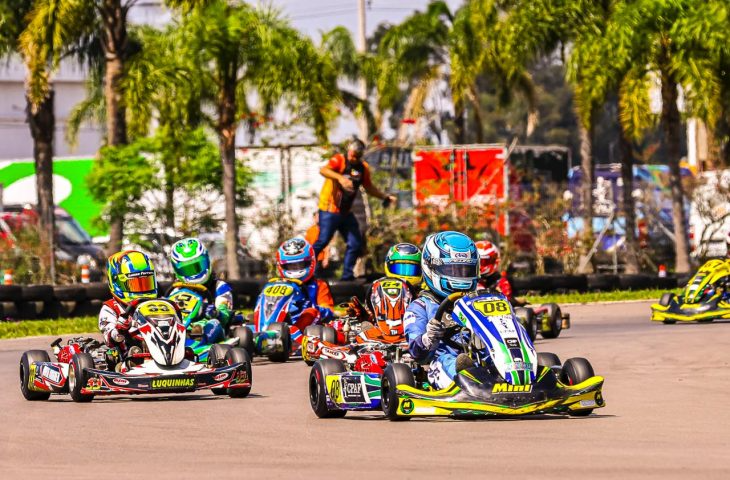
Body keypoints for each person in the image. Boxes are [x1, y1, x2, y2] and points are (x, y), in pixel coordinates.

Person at [403, 231, 480, 389]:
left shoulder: (479, 301)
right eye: (452, 270)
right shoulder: (420, 307)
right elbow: (417, 354)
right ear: (431, 267)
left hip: (479, 356)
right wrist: (429, 337)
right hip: (441, 362)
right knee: (448, 361)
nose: (460, 276)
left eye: (466, 270)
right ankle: (467, 378)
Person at [313, 138, 396, 280]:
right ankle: (308, 270)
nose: (353, 158)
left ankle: (347, 275)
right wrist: (340, 178)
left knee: (355, 243)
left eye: (356, 155)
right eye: (352, 154)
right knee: (323, 241)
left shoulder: (363, 168)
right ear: (348, 152)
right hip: (329, 209)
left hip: (346, 212)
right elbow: (323, 170)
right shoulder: (339, 160)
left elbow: (369, 187)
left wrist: (385, 197)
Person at [345, 243, 422, 341]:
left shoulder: (423, 293)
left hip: (413, 334)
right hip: (379, 335)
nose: (404, 275)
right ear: (388, 266)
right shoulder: (379, 289)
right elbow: (371, 315)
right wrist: (363, 315)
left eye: (411, 270)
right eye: (399, 269)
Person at [167, 237, 234, 344]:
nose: (193, 274)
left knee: (213, 323)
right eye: (187, 269)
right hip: (183, 328)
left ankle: (200, 340)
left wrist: (215, 313)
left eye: (197, 266)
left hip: (211, 327)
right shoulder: (175, 291)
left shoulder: (220, 287)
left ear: (207, 261)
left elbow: (225, 314)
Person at [98, 250, 158, 354]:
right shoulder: (111, 308)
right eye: (134, 284)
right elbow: (110, 337)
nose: (142, 290)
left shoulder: (158, 304)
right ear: (116, 283)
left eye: (146, 283)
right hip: (129, 353)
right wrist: (119, 328)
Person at [276, 238, 335, 340]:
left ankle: (291, 337)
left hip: (308, 328)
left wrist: (308, 307)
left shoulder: (320, 285)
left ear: (310, 262)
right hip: (281, 324)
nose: (295, 268)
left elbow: (329, 311)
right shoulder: (277, 286)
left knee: (311, 312)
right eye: (290, 266)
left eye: (300, 265)